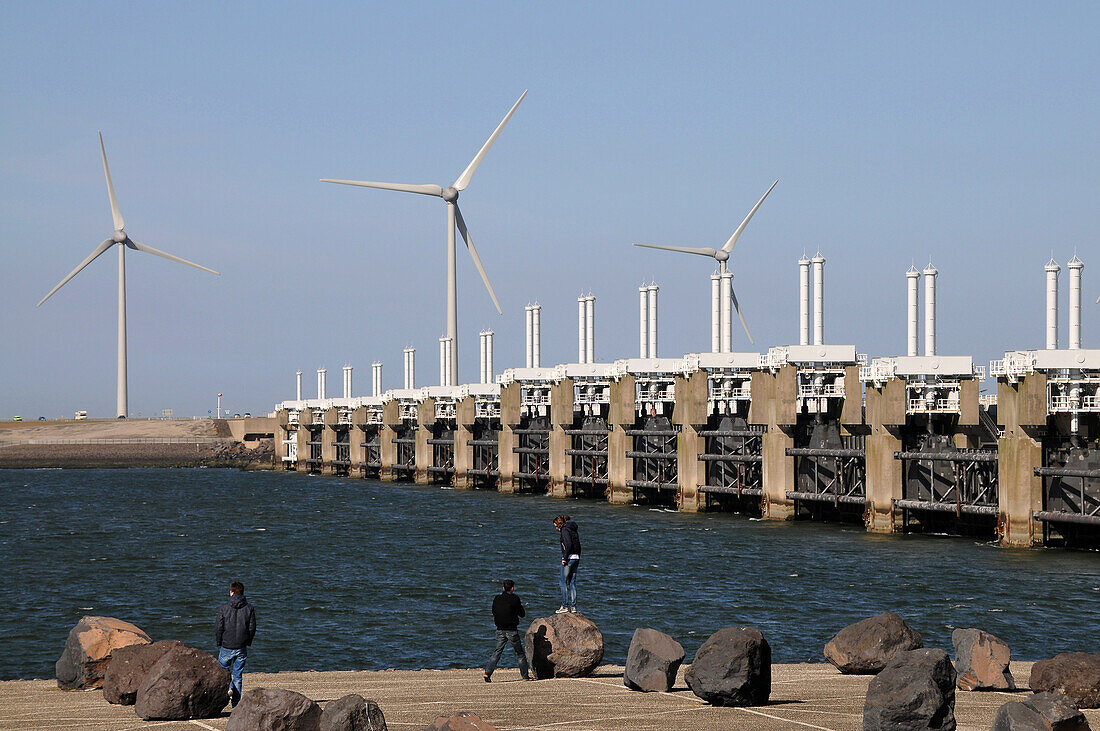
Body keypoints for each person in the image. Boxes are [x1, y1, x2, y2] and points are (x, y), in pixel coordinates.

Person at [215, 581, 256, 707]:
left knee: (223, 672)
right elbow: (252, 628)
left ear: (231, 592)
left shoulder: (224, 608)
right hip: (241, 645)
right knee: (238, 674)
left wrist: (219, 641)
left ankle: (226, 692)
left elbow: (219, 627)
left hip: (227, 644)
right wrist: (248, 641)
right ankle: (236, 703)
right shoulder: (249, 608)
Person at [484, 579, 532, 682]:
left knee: (497, 652)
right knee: (519, 653)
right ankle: (525, 676)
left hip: (500, 629)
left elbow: (494, 611)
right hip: (512, 630)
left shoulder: (497, 598)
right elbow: (522, 614)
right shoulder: (515, 599)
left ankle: (487, 672)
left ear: (503, 588)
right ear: (512, 588)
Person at [553, 515, 581, 614]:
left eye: (556, 526)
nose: (556, 528)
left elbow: (568, 545)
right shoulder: (572, 529)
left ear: (560, 524)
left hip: (569, 559)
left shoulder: (564, 531)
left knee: (563, 582)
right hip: (576, 557)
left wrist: (565, 558)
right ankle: (574, 607)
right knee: (572, 583)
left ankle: (564, 606)